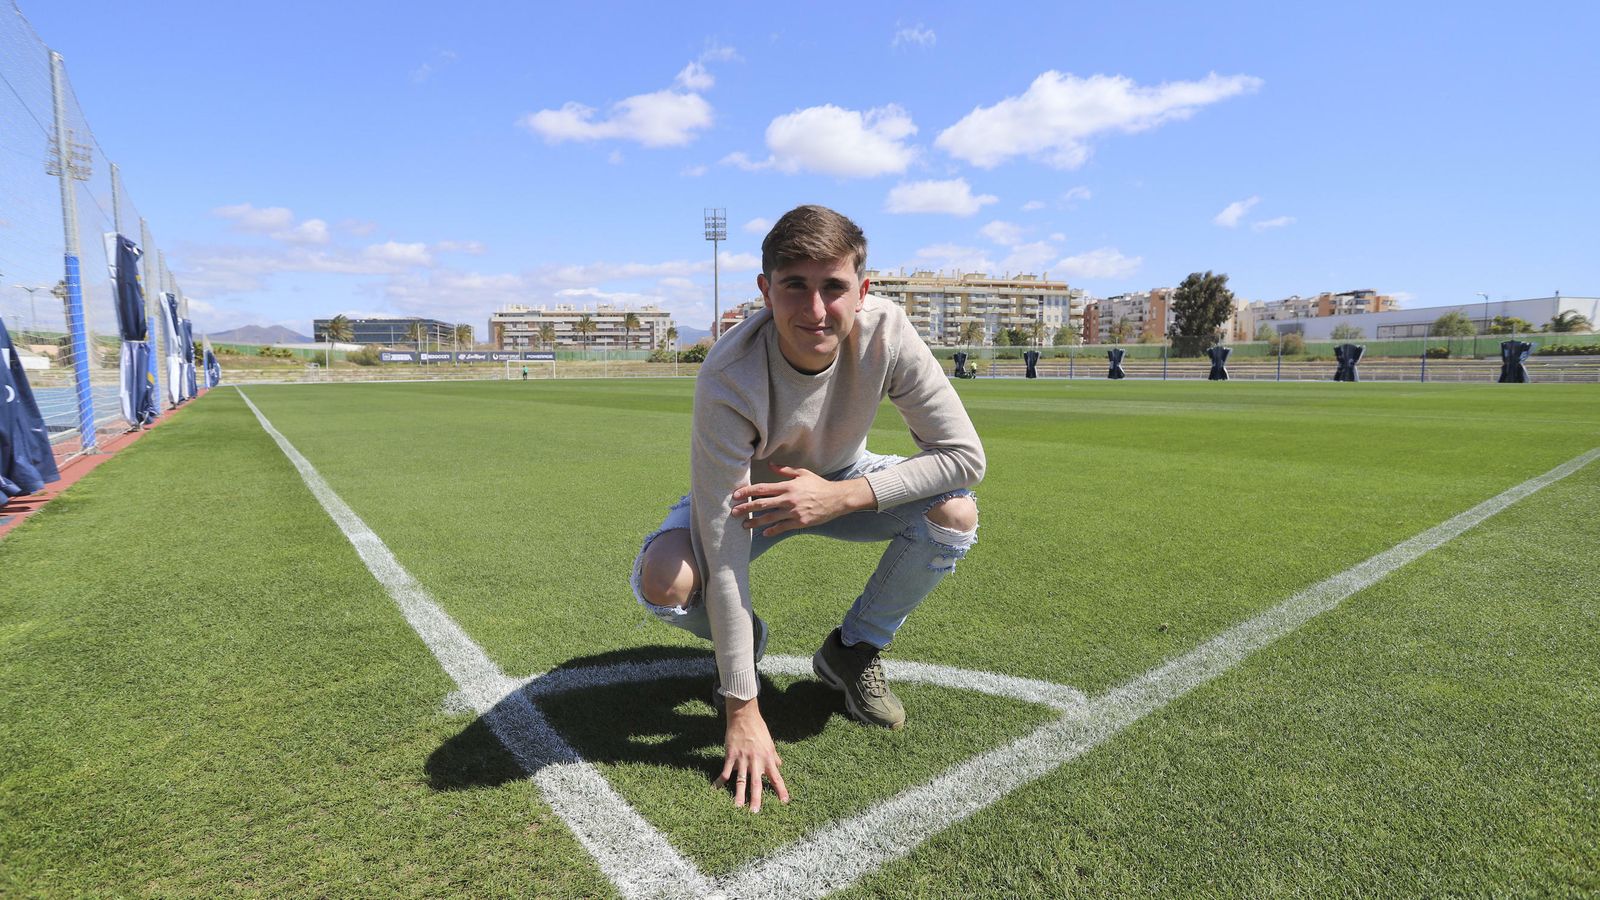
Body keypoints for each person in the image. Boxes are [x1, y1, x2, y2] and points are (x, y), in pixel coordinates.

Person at [631, 205, 984, 813]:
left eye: (834, 287)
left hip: (843, 481)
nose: (815, 309)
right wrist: (742, 705)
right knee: (666, 581)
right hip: (748, 496)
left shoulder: (888, 331)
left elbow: (964, 458)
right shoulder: (728, 373)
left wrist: (839, 496)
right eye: (794, 285)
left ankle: (852, 650)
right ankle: (744, 642)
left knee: (956, 514)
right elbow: (723, 547)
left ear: (862, 291)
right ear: (765, 291)